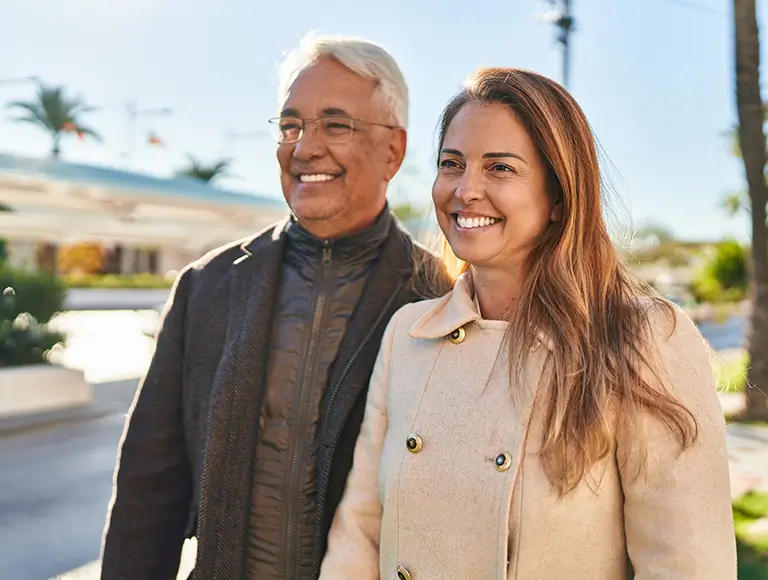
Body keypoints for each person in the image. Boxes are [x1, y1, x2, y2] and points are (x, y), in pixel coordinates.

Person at [318, 68, 737, 580]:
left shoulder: (640, 339)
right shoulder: (408, 336)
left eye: (500, 168)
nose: (465, 190)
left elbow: (685, 566)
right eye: (452, 164)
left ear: (559, 197)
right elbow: (360, 533)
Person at [100, 33, 449, 580]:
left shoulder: (442, 298)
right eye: (291, 125)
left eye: (336, 124)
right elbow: (149, 488)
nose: (304, 147)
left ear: (393, 151)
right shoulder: (206, 286)